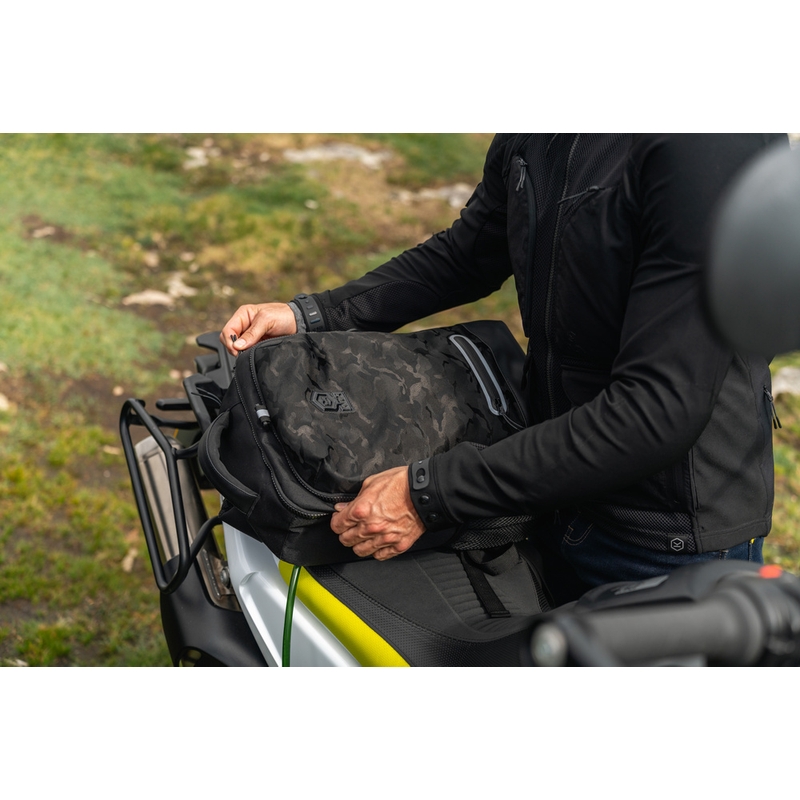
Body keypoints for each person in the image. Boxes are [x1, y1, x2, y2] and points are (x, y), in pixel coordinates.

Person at [221, 134, 787, 605]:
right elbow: (470, 251)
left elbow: (657, 409)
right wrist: (314, 315)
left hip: (664, 539)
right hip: (551, 485)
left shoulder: (707, 143)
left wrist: (429, 494)